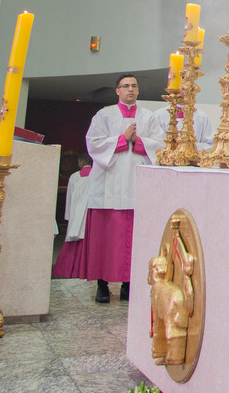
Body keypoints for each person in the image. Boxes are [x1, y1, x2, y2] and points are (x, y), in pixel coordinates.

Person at [59, 74, 163, 303]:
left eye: (134, 85)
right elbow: (94, 144)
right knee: (104, 240)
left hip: (136, 186)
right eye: (126, 86)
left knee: (133, 239)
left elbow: (160, 145)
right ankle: (102, 285)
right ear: (117, 91)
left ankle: (128, 285)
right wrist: (122, 139)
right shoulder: (104, 115)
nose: (130, 89)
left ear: (138, 90)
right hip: (108, 187)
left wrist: (138, 142)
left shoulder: (148, 117)